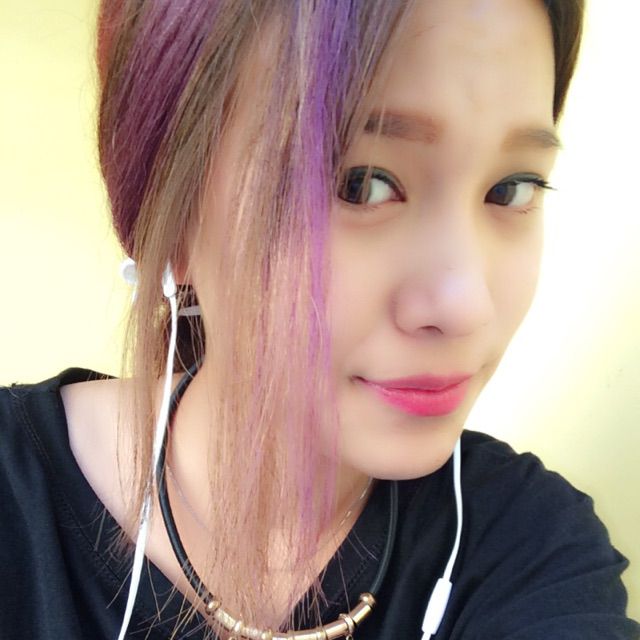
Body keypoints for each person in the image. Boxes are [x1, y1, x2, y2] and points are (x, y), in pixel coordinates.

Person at [1, 0, 638, 638]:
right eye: (363, 184)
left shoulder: (529, 547)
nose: (467, 306)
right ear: (170, 217)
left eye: (512, 188)